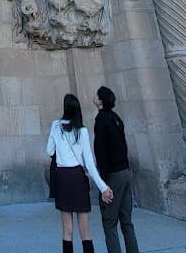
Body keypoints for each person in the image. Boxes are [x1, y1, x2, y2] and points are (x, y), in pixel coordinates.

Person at [47, 93, 114, 253]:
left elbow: (49, 151)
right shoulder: (82, 131)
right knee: (85, 230)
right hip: (77, 176)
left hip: (62, 177)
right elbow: (89, 163)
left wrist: (60, 150)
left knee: (67, 229)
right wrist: (103, 187)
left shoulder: (56, 125)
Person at [93, 86, 140, 253]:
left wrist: (103, 182)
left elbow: (100, 151)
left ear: (101, 100)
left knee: (109, 221)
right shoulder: (116, 118)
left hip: (113, 174)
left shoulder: (101, 120)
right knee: (126, 221)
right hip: (125, 171)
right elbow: (123, 145)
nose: (94, 96)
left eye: (97, 95)